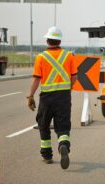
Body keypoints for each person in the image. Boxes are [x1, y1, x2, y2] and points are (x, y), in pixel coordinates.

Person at [27, 26, 77, 169]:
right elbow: (74, 77)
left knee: (43, 123)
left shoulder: (41, 57)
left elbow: (36, 79)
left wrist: (30, 96)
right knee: (63, 125)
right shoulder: (68, 56)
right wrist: (68, 89)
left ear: (47, 40)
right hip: (63, 97)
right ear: (59, 40)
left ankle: (47, 155)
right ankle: (63, 145)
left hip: (47, 98)